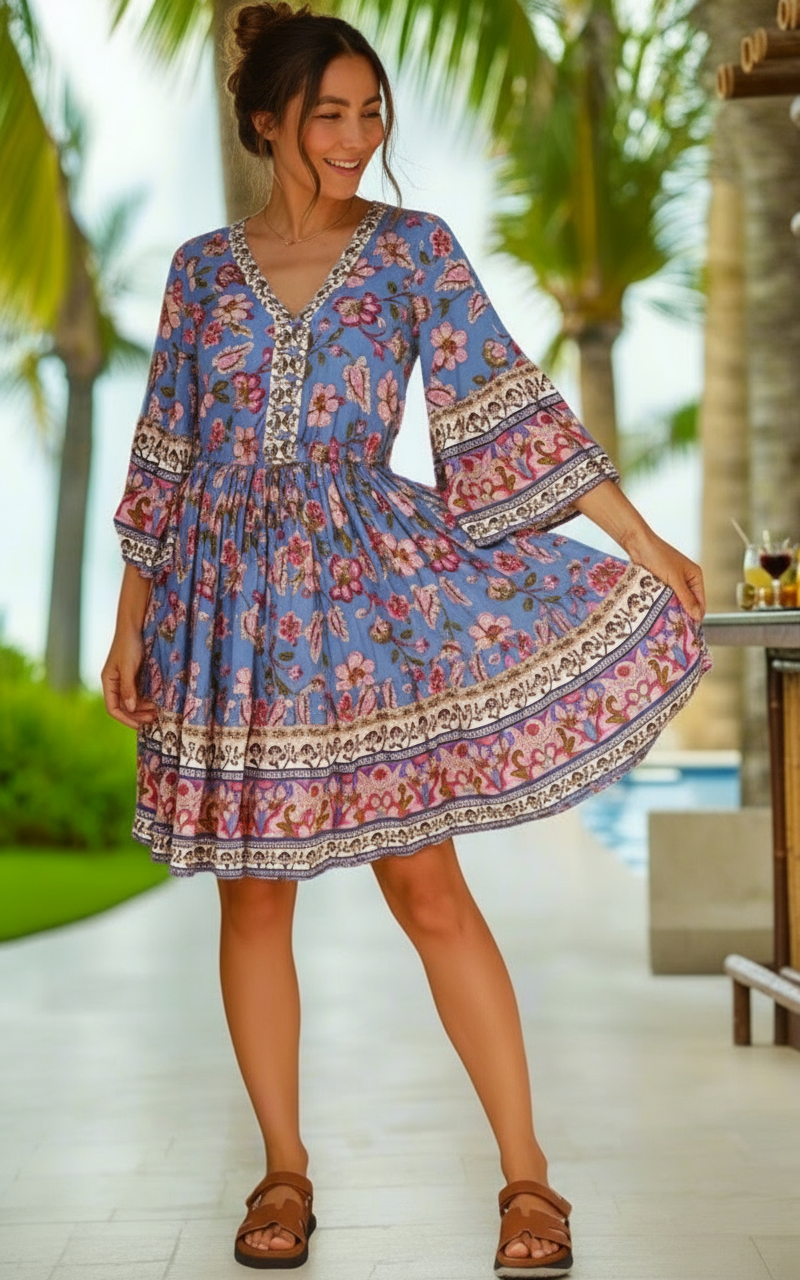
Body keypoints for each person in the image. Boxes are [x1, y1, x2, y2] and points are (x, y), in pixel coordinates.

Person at [102, 3, 709, 1273]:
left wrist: (642, 541)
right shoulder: (200, 271)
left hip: (363, 607)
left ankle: (527, 1179)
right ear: (265, 121)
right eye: (326, 113)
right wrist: (131, 625)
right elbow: (163, 452)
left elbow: (505, 402)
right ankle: (282, 1170)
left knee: (427, 887)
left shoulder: (413, 248)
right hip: (227, 610)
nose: (353, 136)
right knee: (251, 896)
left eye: (369, 112)